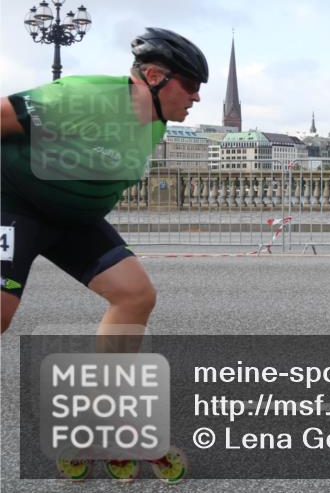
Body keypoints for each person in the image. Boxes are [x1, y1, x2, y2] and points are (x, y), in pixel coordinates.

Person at [1, 28, 209, 340]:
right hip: (15, 205)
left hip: (73, 220)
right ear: (154, 76)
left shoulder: (155, 123)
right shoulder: (85, 97)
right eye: (191, 85)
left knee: (136, 296)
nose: (197, 96)